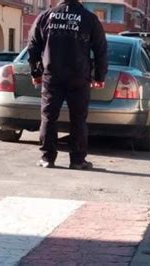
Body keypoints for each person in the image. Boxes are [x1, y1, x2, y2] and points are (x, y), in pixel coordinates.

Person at [27, 0, 108, 170]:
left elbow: (33, 45)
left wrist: (36, 72)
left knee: (49, 116)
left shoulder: (46, 16)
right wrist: (99, 76)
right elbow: (101, 49)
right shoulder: (89, 19)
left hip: (52, 75)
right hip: (79, 76)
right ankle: (77, 160)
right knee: (78, 119)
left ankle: (47, 158)